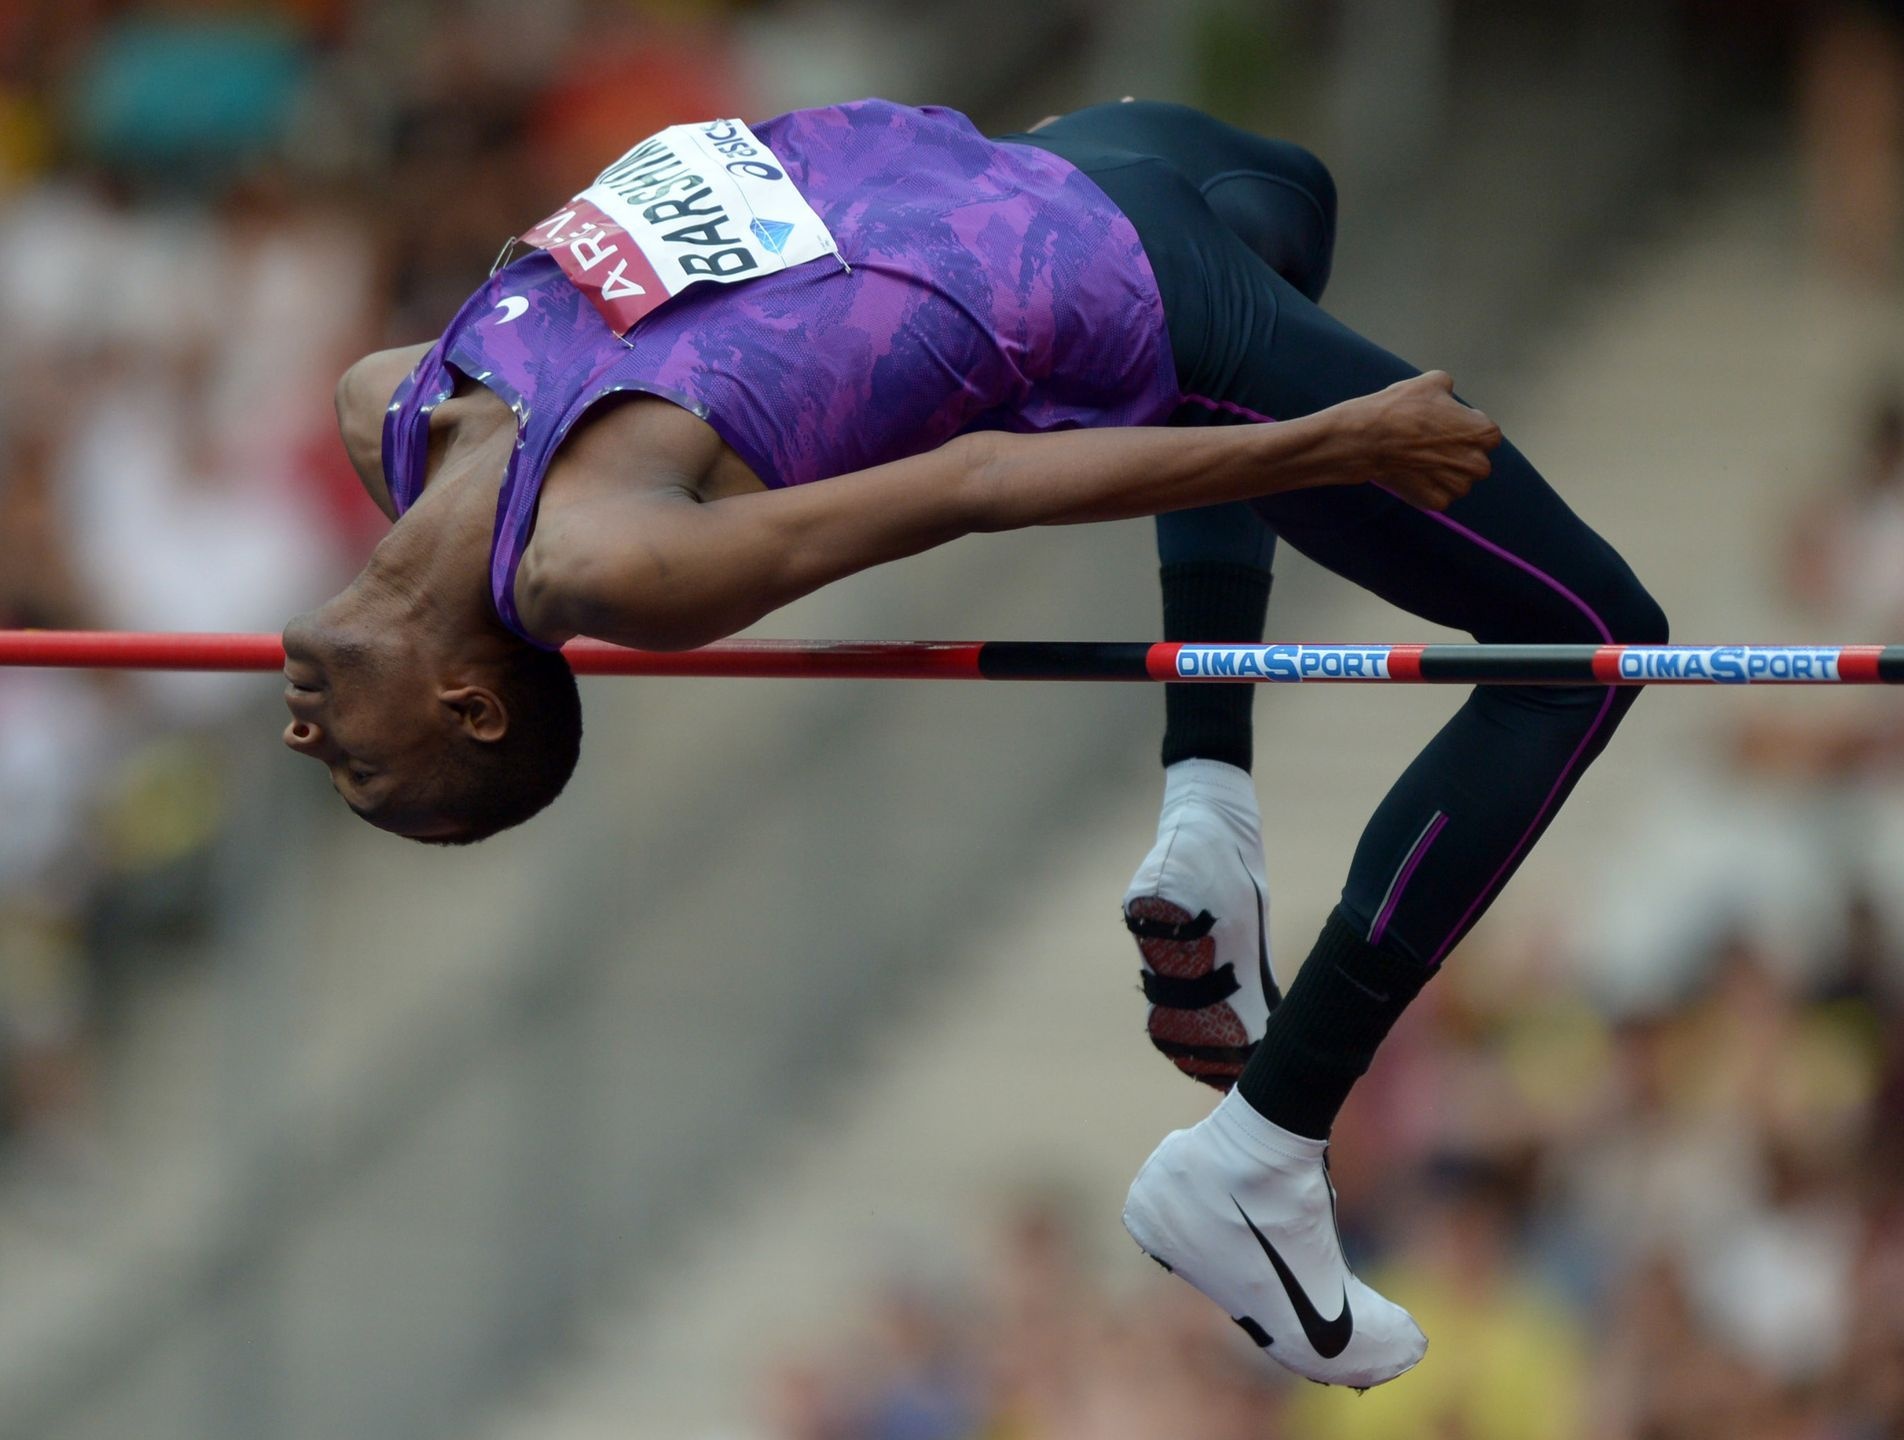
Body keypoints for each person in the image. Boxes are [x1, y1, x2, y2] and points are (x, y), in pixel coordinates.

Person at [286, 98, 1663, 1389]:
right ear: (472, 701)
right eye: (361, 768)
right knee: (1590, 646)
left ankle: (1208, 803)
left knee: (1286, 199)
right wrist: (1329, 442)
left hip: (1019, 175)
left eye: (352, 771)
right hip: (1098, 274)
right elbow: (977, 483)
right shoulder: (610, 566)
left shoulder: (388, 409)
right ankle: (1266, 1143)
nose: (307, 740)